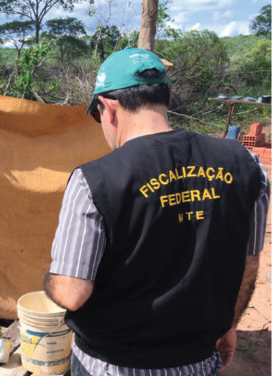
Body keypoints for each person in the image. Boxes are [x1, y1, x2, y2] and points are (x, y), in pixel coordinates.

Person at [43, 47, 269, 376]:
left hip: (111, 365)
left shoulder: (93, 181)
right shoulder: (246, 164)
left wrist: (50, 279)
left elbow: (71, 292)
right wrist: (229, 324)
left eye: (97, 116)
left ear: (108, 107)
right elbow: (248, 264)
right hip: (198, 360)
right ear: (163, 97)